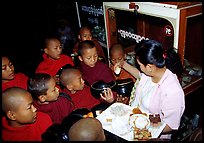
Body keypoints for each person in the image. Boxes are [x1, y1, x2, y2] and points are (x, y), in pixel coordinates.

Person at [116, 39, 185, 139]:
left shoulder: (172, 91)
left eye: (139, 65)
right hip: (135, 122)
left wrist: (144, 127)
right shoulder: (152, 73)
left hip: (152, 135)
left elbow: (171, 125)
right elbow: (141, 77)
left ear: (149, 67)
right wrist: (123, 64)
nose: (139, 67)